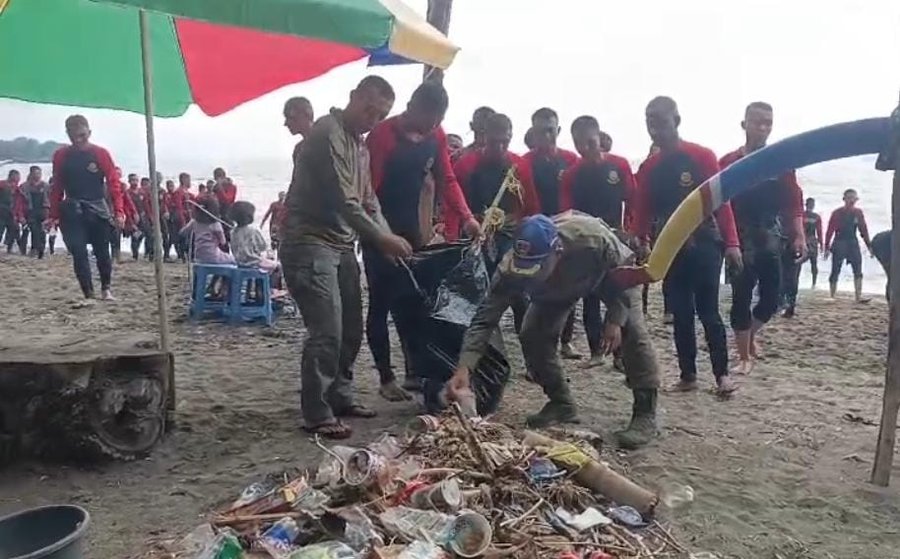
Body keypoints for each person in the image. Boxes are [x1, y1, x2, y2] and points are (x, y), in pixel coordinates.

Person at [446, 213, 661, 448]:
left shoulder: (590, 238)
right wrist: (465, 368)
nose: (528, 276)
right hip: (557, 291)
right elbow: (484, 320)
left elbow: (625, 272)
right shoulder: (510, 269)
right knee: (533, 334)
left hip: (611, 278)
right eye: (523, 269)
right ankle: (561, 403)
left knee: (633, 332)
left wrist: (615, 319)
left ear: (557, 251)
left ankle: (645, 412)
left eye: (535, 267)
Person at [279, 75, 413, 440]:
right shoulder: (327, 133)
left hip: (341, 244)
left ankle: (341, 395)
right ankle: (316, 411)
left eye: (380, 114)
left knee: (352, 326)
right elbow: (346, 201)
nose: (372, 118)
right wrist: (384, 239)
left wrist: (388, 236)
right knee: (327, 330)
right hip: (308, 242)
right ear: (353, 97)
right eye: (369, 108)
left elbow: (370, 201)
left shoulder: (362, 147)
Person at [364, 81, 480, 400]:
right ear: (412, 105)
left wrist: (468, 217)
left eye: (437, 122)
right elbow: (367, 194)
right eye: (427, 119)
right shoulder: (383, 136)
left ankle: (414, 371)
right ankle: (386, 378)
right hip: (378, 229)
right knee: (380, 303)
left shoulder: (436, 135)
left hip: (413, 231)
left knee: (413, 302)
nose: (431, 127)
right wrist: (382, 237)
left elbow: (448, 178)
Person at [632, 96, 742, 395]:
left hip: (706, 242)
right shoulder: (650, 167)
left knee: (708, 311)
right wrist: (639, 240)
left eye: (661, 122)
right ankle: (688, 375)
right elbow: (641, 209)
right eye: (649, 122)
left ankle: (722, 376)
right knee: (680, 313)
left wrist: (732, 243)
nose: (655, 129)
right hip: (669, 247)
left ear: (676, 121)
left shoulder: (702, 156)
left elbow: (722, 201)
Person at [719, 102, 805, 375]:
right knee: (741, 296)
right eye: (757, 122)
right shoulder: (728, 162)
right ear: (744, 124)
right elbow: (717, 204)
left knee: (774, 297)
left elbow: (794, 203)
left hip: (770, 236)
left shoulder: (779, 162)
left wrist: (799, 235)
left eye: (768, 122)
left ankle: (750, 335)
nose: (763, 128)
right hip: (739, 238)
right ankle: (744, 355)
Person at [558, 115, 636, 368]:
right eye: (579, 144)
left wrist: (633, 233)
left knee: (619, 295)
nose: (585, 149)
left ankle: (621, 354)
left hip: (616, 241)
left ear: (599, 138)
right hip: (587, 243)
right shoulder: (572, 174)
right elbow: (567, 213)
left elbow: (633, 200)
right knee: (590, 297)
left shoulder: (619, 165)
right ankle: (595, 352)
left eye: (590, 142)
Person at [454, 113, 539, 335]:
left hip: (511, 239)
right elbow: (454, 204)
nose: (500, 147)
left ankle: (531, 356)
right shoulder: (466, 164)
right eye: (494, 142)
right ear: (484, 137)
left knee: (520, 297)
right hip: (476, 237)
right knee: (478, 297)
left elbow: (531, 207)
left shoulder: (520, 165)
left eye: (505, 141)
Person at [518, 108, 580, 357]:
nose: (546, 135)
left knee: (569, 284)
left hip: (567, 228)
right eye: (540, 131)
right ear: (533, 132)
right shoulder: (524, 162)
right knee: (536, 286)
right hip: (536, 232)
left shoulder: (571, 160)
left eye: (550, 130)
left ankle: (565, 341)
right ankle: (538, 342)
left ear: (558, 130)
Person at [48, 114, 125, 301]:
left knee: (101, 250)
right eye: (74, 136)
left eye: (82, 135)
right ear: (68, 135)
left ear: (89, 132)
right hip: (72, 208)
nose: (79, 140)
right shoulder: (61, 155)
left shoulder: (100, 153)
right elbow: (57, 186)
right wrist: (53, 215)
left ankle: (106, 288)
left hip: (97, 207)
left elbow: (114, 183)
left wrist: (119, 211)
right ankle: (88, 293)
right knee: (78, 251)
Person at [825, 188, 873, 302]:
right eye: (849, 198)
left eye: (853, 198)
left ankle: (858, 296)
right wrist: (826, 247)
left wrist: (869, 246)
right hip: (839, 242)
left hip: (852, 242)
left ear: (856, 200)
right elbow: (830, 230)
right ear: (844, 199)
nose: (851, 200)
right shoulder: (837, 213)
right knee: (835, 269)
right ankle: (832, 296)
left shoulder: (858, 213)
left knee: (858, 269)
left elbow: (863, 230)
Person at [230, 201, 280, 289]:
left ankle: (253, 291)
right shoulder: (253, 231)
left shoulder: (233, 232)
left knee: (264, 265)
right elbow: (262, 246)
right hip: (253, 262)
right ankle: (269, 290)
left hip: (239, 262)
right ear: (249, 217)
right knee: (277, 267)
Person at [180, 196, 234, 265]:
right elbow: (223, 242)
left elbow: (182, 232)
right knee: (233, 260)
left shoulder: (194, 222)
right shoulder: (216, 224)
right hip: (214, 256)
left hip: (198, 256)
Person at [22, 166, 49, 258]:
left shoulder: (45, 185)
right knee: (34, 230)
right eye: (36, 173)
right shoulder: (25, 186)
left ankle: (41, 250)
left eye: (39, 173)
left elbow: (50, 199)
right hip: (31, 211)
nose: (38, 175)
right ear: (31, 174)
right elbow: (20, 200)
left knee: (42, 231)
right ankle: (34, 249)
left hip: (43, 210)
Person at [0, 169, 23, 254]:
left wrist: (19, 215)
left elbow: (19, 203)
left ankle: (8, 247)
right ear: (10, 177)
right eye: (16, 178)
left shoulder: (17, 189)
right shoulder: (2, 184)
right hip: (1, 210)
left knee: (12, 229)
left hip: (11, 212)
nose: (17, 180)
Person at [871, 229, 891, 300]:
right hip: (883, 244)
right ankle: (891, 300)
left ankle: (891, 300)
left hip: (879, 242)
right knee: (892, 275)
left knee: (891, 276)